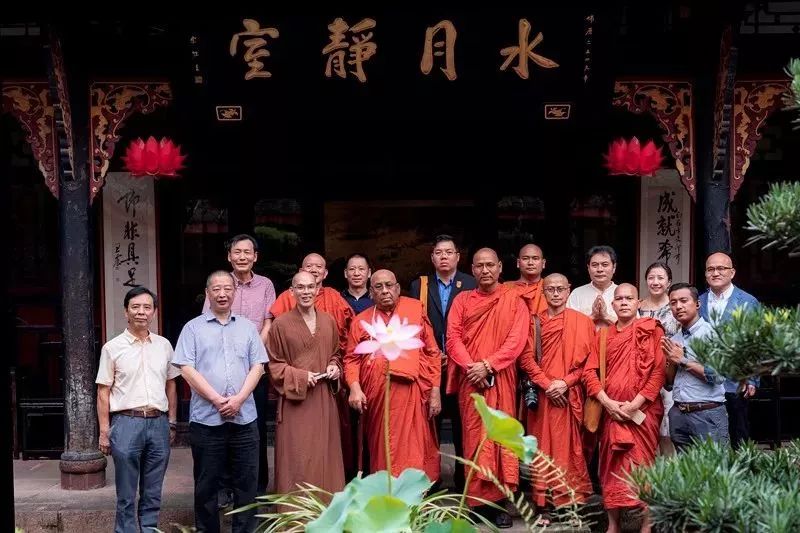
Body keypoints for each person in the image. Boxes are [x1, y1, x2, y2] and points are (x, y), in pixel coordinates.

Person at [173, 271, 268, 533]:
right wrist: (217, 400)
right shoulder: (193, 328)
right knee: (206, 486)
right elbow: (186, 368)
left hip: (244, 418)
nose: (222, 294)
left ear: (234, 293)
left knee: (246, 485)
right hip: (206, 420)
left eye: (227, 288)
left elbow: (258, 366)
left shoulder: (248, 328)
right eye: (216, 289)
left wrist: (239, 399)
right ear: (208, 294)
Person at [446, 248, 529, 528]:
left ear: (500, 267)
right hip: (470, 380)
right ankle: (475, 503)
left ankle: (500, 503)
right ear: (472, 269)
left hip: (501, 378)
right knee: (474, 439)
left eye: (490, 265)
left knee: (500, 439)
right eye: (479, 266)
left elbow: (516, 341)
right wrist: (473, 367)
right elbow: (452, 337)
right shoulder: (462, 300)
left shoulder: (513, 300)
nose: (485, 270)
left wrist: (489, 365)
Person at [96, 286, 180, 533]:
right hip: (126, 423)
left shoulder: (164, 345)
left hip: (158, 422)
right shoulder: (112, 348)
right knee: (126, 493)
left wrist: (172, 421)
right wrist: (104, 431)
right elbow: (103, 391)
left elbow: (171, 385)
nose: (141, 312)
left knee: (153, 491)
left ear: (154, 312)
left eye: (147, 307)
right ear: (126, 312)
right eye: (135, 307)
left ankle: (149, 529)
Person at [345, 269, 442, 481]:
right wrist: (355, 388)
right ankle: (386, 492)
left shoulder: (414, 310)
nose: (385, 291)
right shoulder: (361, 321)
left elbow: (432, 352)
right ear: (371, 293)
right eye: (378, 287)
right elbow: (351, 359)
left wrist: (435, 390)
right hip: (377, 397)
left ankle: (413, 494)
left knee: (413, 447)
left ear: (398, 288)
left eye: (389, 285)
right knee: (382, 447)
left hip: (412, 393)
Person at [583, 284, 665, 533]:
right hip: (611, 413)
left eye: (629, 298)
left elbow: (658, 371)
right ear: (613, 304)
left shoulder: (651, 330)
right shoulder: (603, 336)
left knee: (644, 466)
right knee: (611, 468)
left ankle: (647, 526)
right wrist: (607, 402)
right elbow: (589, 372)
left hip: (642, 413)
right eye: (619, 299)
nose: (624, 302)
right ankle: (613, 525)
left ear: (638, 303)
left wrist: (635, 404)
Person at [268, 253, 357, 476]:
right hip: (296, 398)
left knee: (325, 452)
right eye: (300, 287)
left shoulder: (328, 321)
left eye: (310, 287)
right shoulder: (280, 324)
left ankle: (327, 498)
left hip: (324, 397)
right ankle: (295, 499)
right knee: (297, 453)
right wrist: (300, 377)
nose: (306, 292)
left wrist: (335, 367)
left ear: (318, 289)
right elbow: (274, 364)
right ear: (292, 292)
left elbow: (336, 354)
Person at [203, 233, 276, 495]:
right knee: (222, 423)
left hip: (255, 368)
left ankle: (256, 486)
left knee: (255, 426)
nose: (242, 257)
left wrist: (252, 353)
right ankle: (225, 487)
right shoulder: (220, 284)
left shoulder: (266, 285)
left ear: (255, 257)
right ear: (229, 256)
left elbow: (269, 322)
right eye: (237, 252)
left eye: (247, 252)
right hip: (223, 367)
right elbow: (207, 321)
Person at [518, 273, 593, 511]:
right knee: (542, 448)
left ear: (569, 290)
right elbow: (525, 359)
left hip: (569, 396)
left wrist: (566, 383)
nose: (556, 293)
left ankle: (569, 502)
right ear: (543, 292)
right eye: (550, 289)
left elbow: (589, 363)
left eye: (561, 289)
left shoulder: (583, 322)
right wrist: (548, 385)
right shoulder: (533, 322)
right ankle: (543, 503)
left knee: (569, 448)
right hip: (543, 396)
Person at [408, 234, 476, 490]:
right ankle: (431, 480)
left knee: (463, 424)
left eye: (449, 252)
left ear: (458, 256)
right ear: (432, 257)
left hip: (463, 367)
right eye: (439, 253)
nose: (444, 257)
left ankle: (463, 480)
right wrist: (434, 354)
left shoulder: (471, 284)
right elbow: (415, 326)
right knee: (429, 425)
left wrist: (458, 355)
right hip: (430, 366)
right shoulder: (420, 286)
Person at [699, 252, 760, 448]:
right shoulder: (698, 302)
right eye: (710, 269)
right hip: (704, 381)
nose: (715, 273)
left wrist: (752, 378)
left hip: (736, 381)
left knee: (738, 435)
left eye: (721, 268)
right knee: (709, 437)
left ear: (732, 272)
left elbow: (755, 342)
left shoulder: (748, 302)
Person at [661, 283, 728, 452]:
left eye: (683, 301)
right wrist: (671, 362)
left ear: (697, 304)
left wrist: (682, 360)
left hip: (707, 413)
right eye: (673, 303)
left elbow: (718, 376)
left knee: (715, 465)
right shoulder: (674, 339)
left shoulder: (713, 334)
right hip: (679, 413)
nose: (678, 306)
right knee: (685, 467)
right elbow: (668, 384)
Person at [638, 261, 679, 456]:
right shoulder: (637, 307)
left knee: (667, 427)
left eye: (660, 278)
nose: (655, 282)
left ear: (669, 282)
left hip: (669, 373)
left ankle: (668, 470)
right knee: (644, 424)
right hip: (642, 372)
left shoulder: (676, 307)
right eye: (651, 278)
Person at [567, 245, 619, 327]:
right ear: (588, 268)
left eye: (605, 265)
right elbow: (570, 326)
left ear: (614, 267)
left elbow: (633, 326)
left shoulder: (624, 293)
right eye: (595, 265)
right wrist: (593, 316)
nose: (600, 269)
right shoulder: (577, 293)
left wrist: (606, 316)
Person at [504, 243, 548, 316]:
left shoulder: (550, 288)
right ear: (518, 263)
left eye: (535, 258)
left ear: (543, 263)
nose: (530, 263)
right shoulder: (506, 288)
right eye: (525, 258)